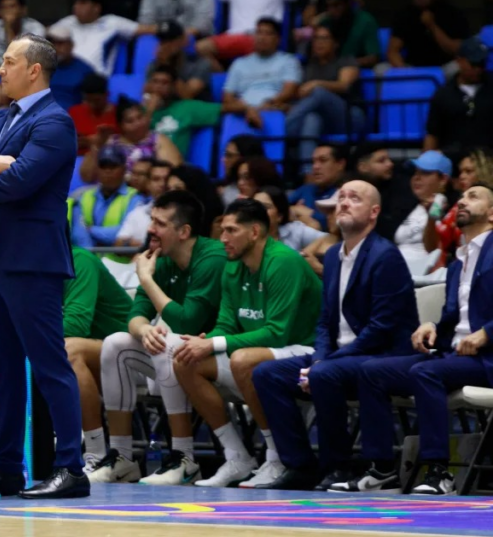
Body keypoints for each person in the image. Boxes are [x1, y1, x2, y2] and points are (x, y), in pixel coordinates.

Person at [0, 33, 89, 499]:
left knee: (49, 367)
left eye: (8, 62)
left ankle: (72, 469)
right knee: (2, 370)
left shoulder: (55, 123)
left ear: (34, 70)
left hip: (31, 263)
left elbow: (20, 185)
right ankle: (7, 467)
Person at [251, 180, 418, 490]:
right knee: (267, 374)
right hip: (338, 359)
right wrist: (319, 358)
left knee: (324, 374)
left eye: (354, 198)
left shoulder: (386, 256)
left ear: (373, 212)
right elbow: (325, 322)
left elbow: (381, 328)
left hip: (383, 357)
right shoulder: (331, 257)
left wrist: (323, 364)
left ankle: (338, 467)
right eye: (341, 197)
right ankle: (300, 464)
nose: (343, 202)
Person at [348, 183, 493, 496]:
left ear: (492, 213)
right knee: (371, 371)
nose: (462, 201)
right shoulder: (457, 263)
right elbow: (457, 321)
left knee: (424, 372)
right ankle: (383, 469)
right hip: (453, 356)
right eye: (462, 196)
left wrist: (487, 333)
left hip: (486, 359)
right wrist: (432, 327)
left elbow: (480, 327)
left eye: (473, 196)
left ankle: (438, 472)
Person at [166, 199, 322, 488]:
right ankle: (237, 455)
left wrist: (215, 344)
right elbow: (226, 324)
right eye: (222, 230)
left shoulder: (283, 261)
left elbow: (276, 333)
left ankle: (276, 458)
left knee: (243, 359)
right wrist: (205, 341)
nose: (223, 238)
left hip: (306, 350)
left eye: (231, 230)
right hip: (261, 350)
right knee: (185, 359)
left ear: (254, 232)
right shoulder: (233, 266)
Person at [88, 191, 228, 484]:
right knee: (115, 343)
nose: (151, 229)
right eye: (152, 220)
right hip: (185, 358)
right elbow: (135, 314)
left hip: (219, 354)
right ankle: (123, 457)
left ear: (183, 231)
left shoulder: (211, 257)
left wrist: (146, 279)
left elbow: (188, 320)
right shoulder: (162, 258)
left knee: (171, 345)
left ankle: (184, 459)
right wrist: (144, 330)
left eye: (160, 223)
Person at [62, 244, 131, 469]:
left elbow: (77, 325)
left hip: (130, 352)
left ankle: (96, 453)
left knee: (67, 350)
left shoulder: (79, 261)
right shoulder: (27, 268)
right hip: (96, 353)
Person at [285, 25, 366, 172]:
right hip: (324, 122)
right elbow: (299, 96)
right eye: (316, 38)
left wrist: (317, 84)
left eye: (324, 38)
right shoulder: (308, 67)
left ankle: (284, 128)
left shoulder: (346, 60)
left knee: (319, 93)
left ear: (335, 43)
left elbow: (344, 85)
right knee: (311, 119)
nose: (319, 42)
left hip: (349, 117)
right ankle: (308, 173)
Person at [50, 0, 154, 76]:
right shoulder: (69, 21)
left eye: (82, 3)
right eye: (76, 3)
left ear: (96, 8)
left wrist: (167, 29)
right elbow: (45, 34)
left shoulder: (112, 22)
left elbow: (147, 29)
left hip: (94, 80)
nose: (76, 7)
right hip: (63, 74)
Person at [221, 18, 302, 128]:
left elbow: (289, 91)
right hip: (243, 115)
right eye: (259, 32)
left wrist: (268, 104)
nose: (262, 38)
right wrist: (246, 109)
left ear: (278, 39)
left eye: (268, 34)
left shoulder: (288, 61)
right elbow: (227, 97)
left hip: (275, 111)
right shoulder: (239, 63)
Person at [423, 36, 493, 161]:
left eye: (482, 64)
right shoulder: (443, 95)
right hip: (454, 161)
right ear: (459, 61)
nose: (478, 69)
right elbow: (433, 134)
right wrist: (428, 163)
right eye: (473, 64)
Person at [79, 99, 181, 183]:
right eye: (130, 121)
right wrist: (97, 146)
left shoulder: (158, 140)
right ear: (121, 126)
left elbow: (173, 173)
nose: (137, 123)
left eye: (140, 117)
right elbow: (87, 177)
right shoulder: (110, 142)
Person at [387, 0, 470, 71]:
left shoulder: (453, 14)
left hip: (445, 68)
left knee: (461, 66)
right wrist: (407, 73)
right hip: (412, 68)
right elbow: (393, 51)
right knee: (381, 69)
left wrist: (432, 26)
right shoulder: (405, 15)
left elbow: (456, 50)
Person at [147, 65, 221, 157]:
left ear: (174, 86)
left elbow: (222, 110)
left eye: (164, 83)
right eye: (155, 82)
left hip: (173, 166)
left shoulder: (187, 108)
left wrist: (242, 106)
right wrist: (149, 111)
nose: (158, 87)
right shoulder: (139, 113)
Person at [146, 20, 214, 101]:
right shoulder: (155, 65)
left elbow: (186, 95)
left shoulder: (200, 63)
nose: (165, 45)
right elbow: (147, 93)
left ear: (182, 40)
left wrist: (167, 67)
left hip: (192, 110)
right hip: (166, 110)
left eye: (169, 41)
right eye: (162, 41)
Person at [254, 186, 328, 252]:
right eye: (254, 206)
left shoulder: (295, 231)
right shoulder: (244, 234)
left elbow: (330, 239)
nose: (258, 211)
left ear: (279, 216)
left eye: (266, 207)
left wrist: (305, 254)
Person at [46, 25, 95, 110]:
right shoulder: (40, 68)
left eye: (61, 43)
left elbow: (91, 104)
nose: (56, 48)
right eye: (53, 43)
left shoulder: (85, 70)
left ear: (71, 45)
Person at [68, 74, 117, 155]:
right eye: (87, 100)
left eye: (96, 100)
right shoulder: (74, 111)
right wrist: (89, 141)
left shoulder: (117, 114)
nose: (91, 105)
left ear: (106, 94)